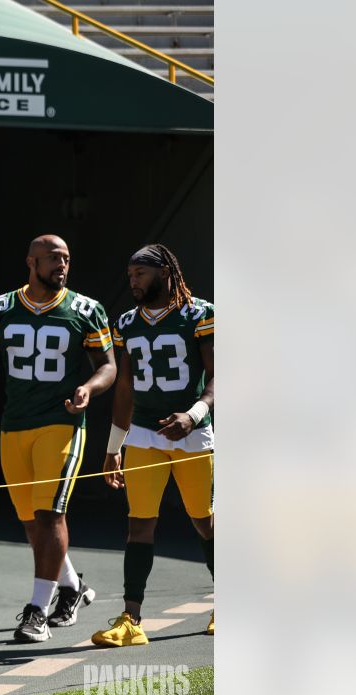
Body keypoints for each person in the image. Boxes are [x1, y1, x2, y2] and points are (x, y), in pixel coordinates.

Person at [0, 234, 115, 643]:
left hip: (61, 423)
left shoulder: (86, 309)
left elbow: (108, 366)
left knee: (51, 515)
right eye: (53, 258)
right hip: (14, 426)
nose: (62, 266)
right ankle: (70, 586)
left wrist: (89, 387)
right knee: (32, 523)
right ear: (31, 262)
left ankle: (36, 611)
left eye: (66, 259)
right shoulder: (0, 308)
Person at [91, 244, 215, 647]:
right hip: (144, 434)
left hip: (192, 433)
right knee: (139, 523)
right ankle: (131, 618)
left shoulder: (200, 314)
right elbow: (124, 388)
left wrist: (193, 415)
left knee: (203, 519)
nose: (133, 281)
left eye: (139, 273)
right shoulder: (127, 320)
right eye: (129, 274)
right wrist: (113, 445)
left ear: (164, 273)